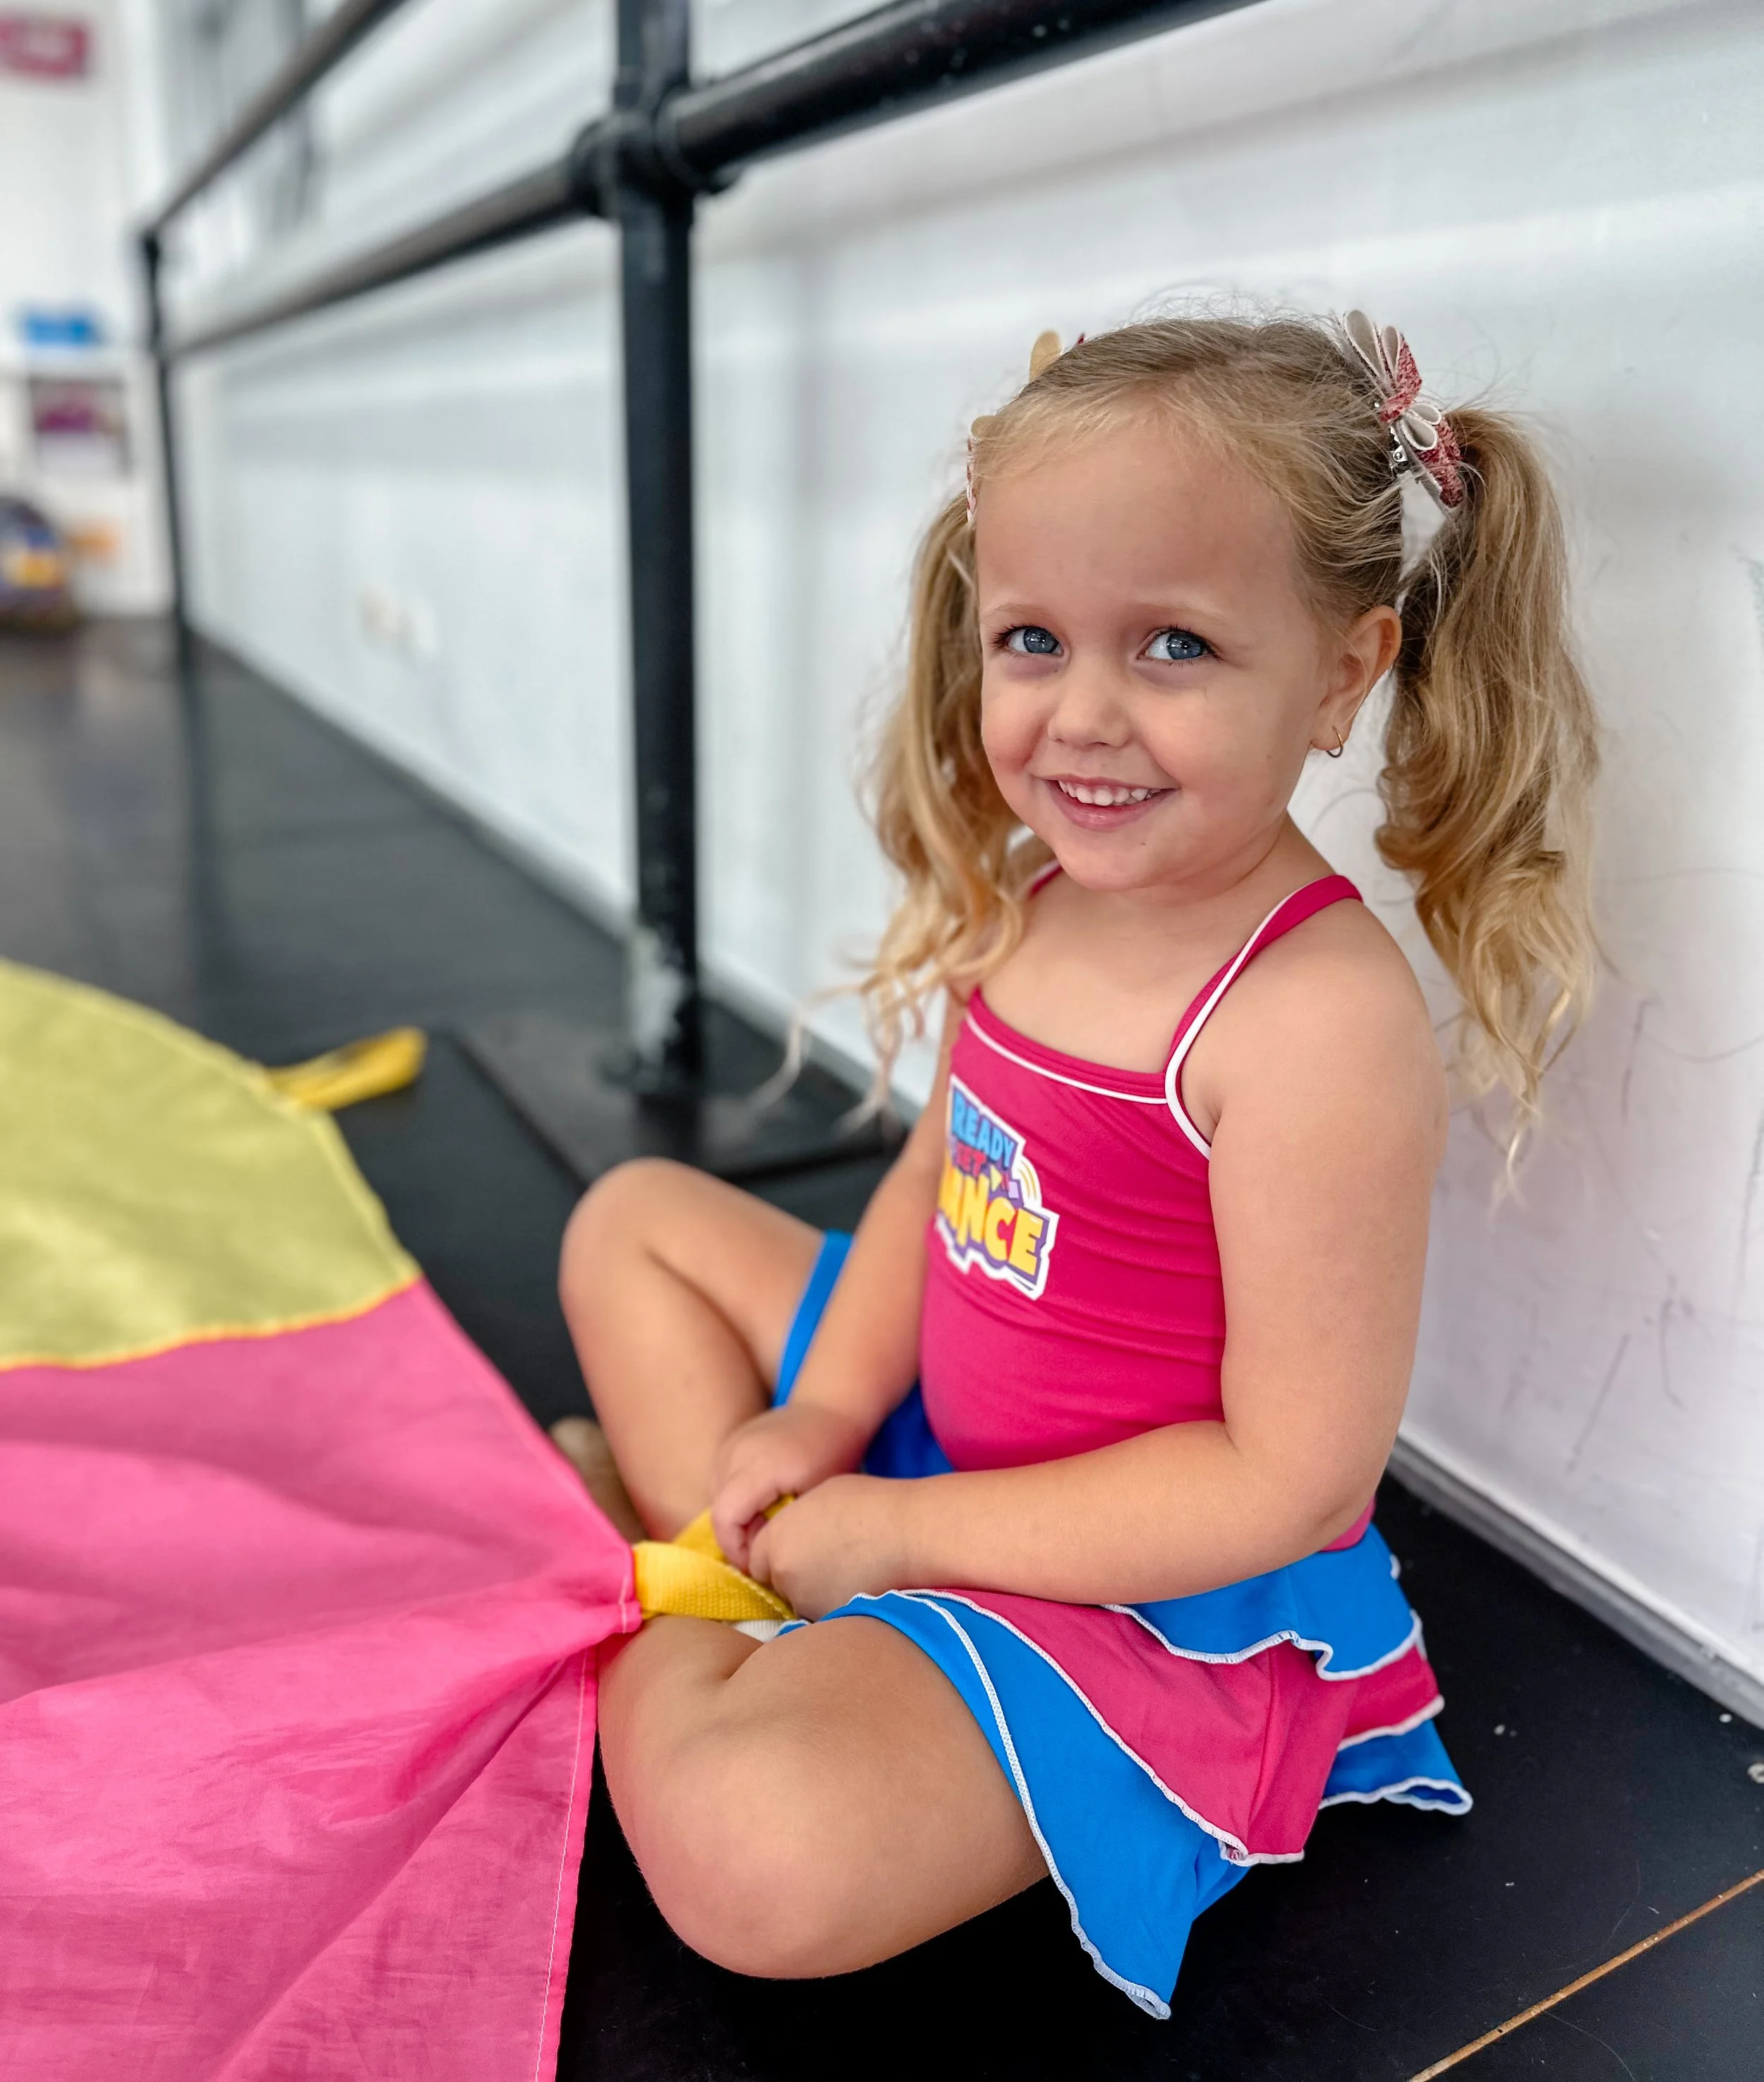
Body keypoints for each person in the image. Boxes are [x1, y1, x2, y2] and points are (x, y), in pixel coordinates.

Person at [555, 308, 1598, 2016]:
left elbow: (1289, 1482)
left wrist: (902, 1536)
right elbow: (931, 1192)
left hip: (1133, 1588)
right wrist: (821, 1418)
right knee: (630, 1222)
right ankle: (752, 1583)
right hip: (927, 1446)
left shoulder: (1309, 1020)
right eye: (1031, 639)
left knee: (759, 1860)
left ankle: (681, 1576)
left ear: (1342, 671)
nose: (1082, 715)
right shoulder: (1039, 894)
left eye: (1173, 645)